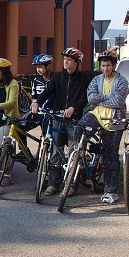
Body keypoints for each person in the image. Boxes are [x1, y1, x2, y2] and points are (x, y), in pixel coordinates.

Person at [30, 47, 91, 196]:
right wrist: (36, 101)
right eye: (64, 59)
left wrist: (74, 108)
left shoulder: (83, 79)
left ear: (76, 62)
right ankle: (53, 183)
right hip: (58, 118)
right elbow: (48, 91)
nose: (65, 61)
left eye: (69, 59)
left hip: (73, 121)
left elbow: (85, 98)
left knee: (73, 153)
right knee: (55, 153)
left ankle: (71, 185)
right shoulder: (58, 77)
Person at [79, 54, 129, 204]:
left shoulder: (121, 81)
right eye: (103, 66)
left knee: (110, 155)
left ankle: (111, 190)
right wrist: (107, 97)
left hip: (115, 119)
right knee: (79, 129)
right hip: (96, 114)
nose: (105, 68)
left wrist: (100, 98)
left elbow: (118, 101)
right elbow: (91, 98)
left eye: (108, 65)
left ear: (113, 66)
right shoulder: (96, 79)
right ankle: (80, 160)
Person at [0, 58, 21, 184]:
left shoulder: (13, 83)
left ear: (5, 72)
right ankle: (1, 170)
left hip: (8, 117)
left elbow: (12, 102)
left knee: (2, 147)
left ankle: (7, 175)